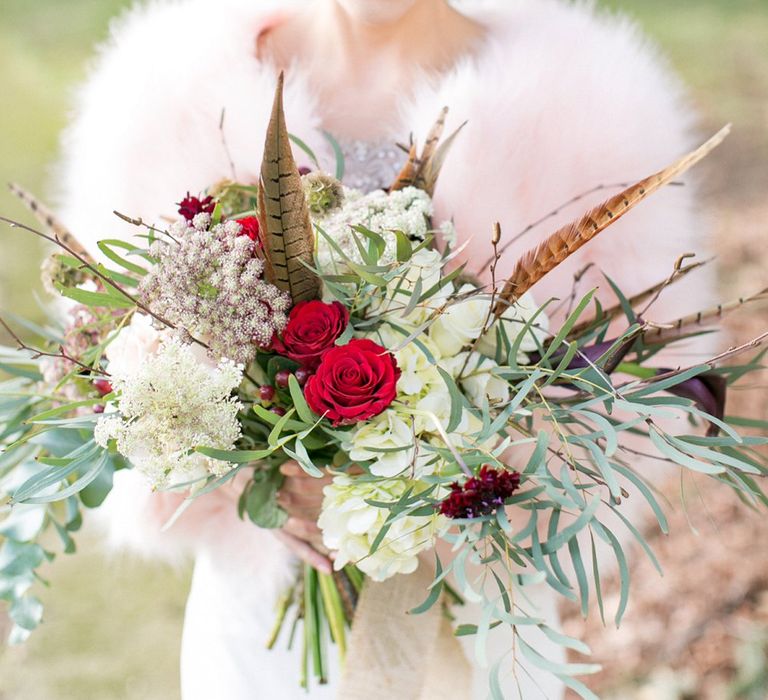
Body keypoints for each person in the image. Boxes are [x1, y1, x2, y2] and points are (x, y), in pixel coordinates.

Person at [57, 0, 714, 697]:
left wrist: (450, 478)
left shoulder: (587, 99)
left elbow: (643, 378)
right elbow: (111, 361)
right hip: (265, 605)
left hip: (478, 605)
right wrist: (261, 476)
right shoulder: (172, 88)